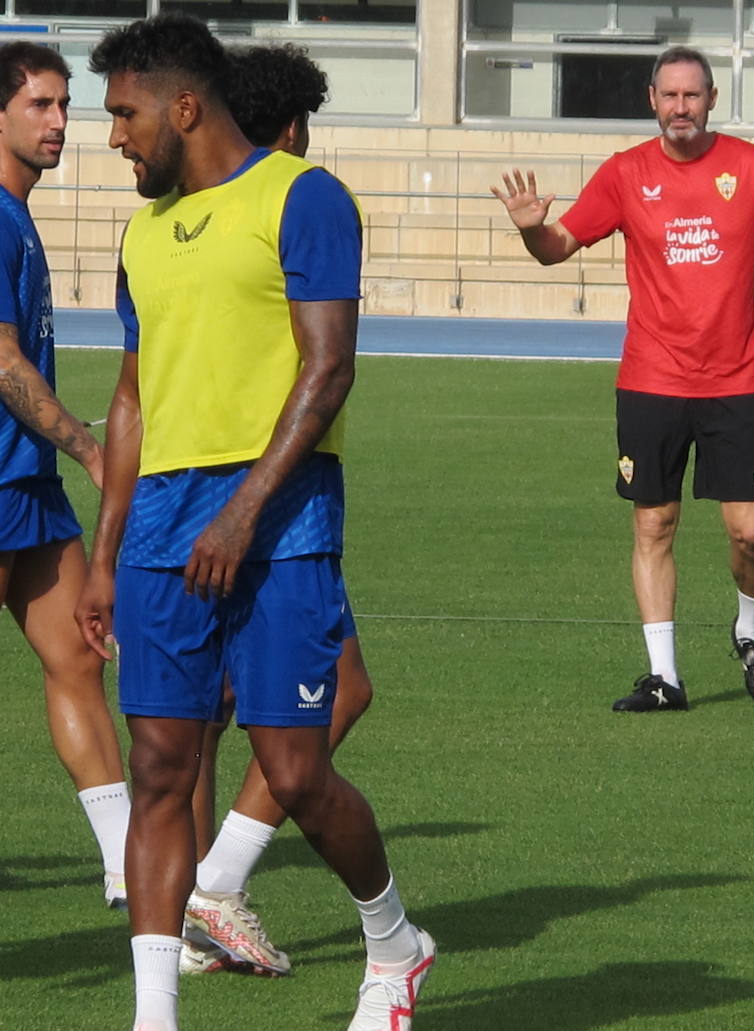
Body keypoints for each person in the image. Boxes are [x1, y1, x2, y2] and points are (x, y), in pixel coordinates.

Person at [74, 14, 431, 1031]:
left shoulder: (303, 197)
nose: (115, 137)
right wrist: (104, 554)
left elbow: (328, 369)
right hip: (158, 535)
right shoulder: (140, 234)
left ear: (185, 106)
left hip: (279, 519)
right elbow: (134, 398)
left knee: (294, 767)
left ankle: (395, 942)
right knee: (158, 766)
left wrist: (239, 514)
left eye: (126, 114)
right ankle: (154, 1016)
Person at [491, 45, 754, 712]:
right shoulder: (625, 173)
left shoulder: (752, 166)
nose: (680, 108)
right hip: (653, 380)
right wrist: (530, 231)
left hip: (739, 379)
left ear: (712, 100)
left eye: (692, 96)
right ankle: (665, 677)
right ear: (652, 100)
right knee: (654, 525)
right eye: (670, 96)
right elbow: (559, 249)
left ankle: (749, 630)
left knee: (749, 531)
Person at [179, 40, 378, 980]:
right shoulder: (298, 196)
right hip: (271, 500)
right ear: (293, 124)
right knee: (336, 696)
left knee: (199, 710)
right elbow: (324, 363)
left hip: (184, 493)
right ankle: (211, 886)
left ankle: (193, 896)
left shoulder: (186, 210)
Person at [0, 40, 130, 908]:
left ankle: (131, 868)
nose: (59, 121)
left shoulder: (20, 212)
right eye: (40, 104)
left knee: (81, 659)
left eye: (63, 104)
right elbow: (3, 364)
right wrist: (91, 449)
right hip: (9, 479)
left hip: (27, 481)